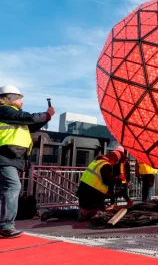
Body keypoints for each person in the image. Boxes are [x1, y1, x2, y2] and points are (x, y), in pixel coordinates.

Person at [0, 86, 54, 238]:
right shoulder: (4, 110)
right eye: (19, 99)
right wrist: (46, 114)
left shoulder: (12, 116)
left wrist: (47, 117)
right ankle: (6, 226)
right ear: (9, 98)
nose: (22, 102)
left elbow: (30, 126)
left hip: (10, 157)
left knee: (5, 190)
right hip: (4, 157)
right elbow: (29, 118)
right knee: (13, 186)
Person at [41, 151, 124, 222]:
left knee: (85, 210)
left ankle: (58, 212)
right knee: (100, 214)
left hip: (83, 190)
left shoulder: (96, 161)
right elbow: (107, 180)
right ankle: (83, 214)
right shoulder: (106, 165)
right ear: (114, 159)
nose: (114, 163)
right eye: (115, 161)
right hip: (94, 194)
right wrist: (120, 179)